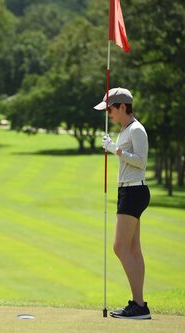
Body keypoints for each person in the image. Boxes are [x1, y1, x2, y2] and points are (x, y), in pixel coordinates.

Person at [94, 87, 151, 320]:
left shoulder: (136, 130)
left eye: (110, 109)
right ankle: (140, 305)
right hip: (128, 191)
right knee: (133, 249)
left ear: (122, 107)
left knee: (120, 247)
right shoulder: (125, 130)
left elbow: (141, 162)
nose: (109, 113)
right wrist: (115, 147)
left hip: (134, 191)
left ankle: (138, 304)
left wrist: (115, 150)